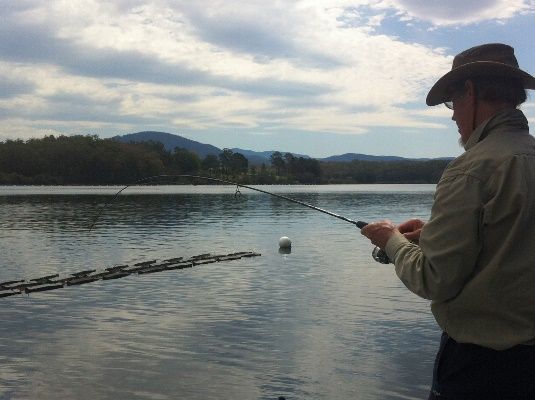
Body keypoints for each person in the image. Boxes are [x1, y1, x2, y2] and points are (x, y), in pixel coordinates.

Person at [361, 43, 535, 399]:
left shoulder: (470, 170)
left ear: (469, 92)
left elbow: (434, 279)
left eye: (452, 102)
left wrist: (390, 240)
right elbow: (511, 239)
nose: (453, 116)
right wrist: (431, 235)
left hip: (481, 371)